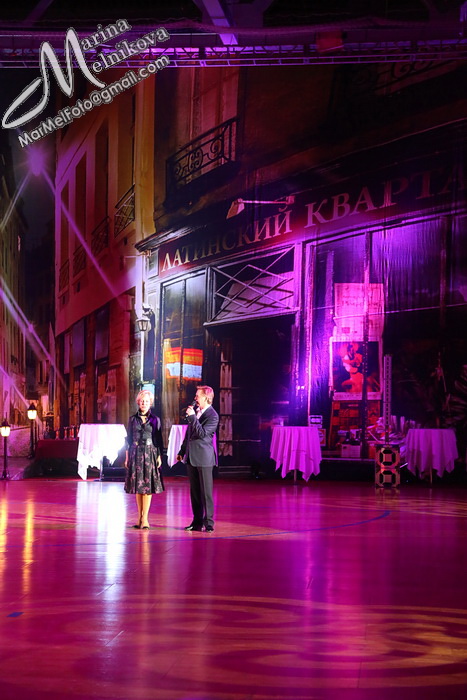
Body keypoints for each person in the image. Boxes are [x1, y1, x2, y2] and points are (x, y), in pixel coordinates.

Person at [177, 385, 219, 532]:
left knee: (206, 492)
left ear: (206, 398)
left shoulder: (213, 415)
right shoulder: (196, 412)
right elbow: (189, 434)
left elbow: (202, 434)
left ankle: (209, 523)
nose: (195, 398)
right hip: (191, 456)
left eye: (198, 396)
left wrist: (193, 417)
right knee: (195, 493)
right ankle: (197, 522)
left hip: (204, 458)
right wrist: (182, 450)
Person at [124, 390, 164, 529]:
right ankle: (139, 518)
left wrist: (159, 456)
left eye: (146, 401)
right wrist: (127, 457)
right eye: (142, 401)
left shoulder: (155, 419)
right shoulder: (132, 419)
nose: (144, 403)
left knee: (147, 487)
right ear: (138, 402)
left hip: (149, 452)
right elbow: (128, 439)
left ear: (150, 403)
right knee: (138, 487)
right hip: (135, 452)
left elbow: (158, 439)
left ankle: (145, 518)